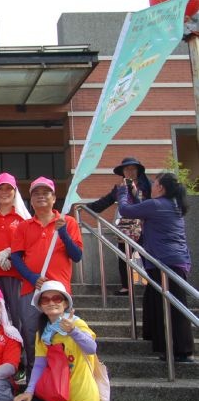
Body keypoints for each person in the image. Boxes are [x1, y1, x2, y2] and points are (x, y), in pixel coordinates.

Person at [12, 281, 107, 401]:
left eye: (56, 298)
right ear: (40, 305)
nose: (51, 303)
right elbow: (40, 365)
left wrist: (73, 331)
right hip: (55, 397)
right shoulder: (43, 331)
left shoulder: (76, 324)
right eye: (45, 300)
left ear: (65, 303)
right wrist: (29, 391)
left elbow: (91, 348)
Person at [118, 172, 194, 362]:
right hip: (171, 261)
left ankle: (182, 351)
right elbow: (142, 209)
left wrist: (121, 193)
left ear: (161, 188)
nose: (151, 186)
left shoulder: (157, 205)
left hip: (164, 262)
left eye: (155, 183)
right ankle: (166, 347)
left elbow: (127, 211)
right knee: (158, 304)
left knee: (174, 308)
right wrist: (135, 195)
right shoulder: (171, 205)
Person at [11, 177, 83, 377]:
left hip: (59, 291)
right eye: (36, 194)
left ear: (54, 198)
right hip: (31, 289)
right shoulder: (24, 226)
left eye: (46, 193)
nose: (41, 197)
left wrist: (63, 234)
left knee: (61, 336)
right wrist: (32, 278)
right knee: (31, 334)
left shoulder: (67, 222)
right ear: (30, 200)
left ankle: (62, 380)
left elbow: (76, 255)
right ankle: (34, 383)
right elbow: (16, 257)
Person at [86, 157, 151, 295]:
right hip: (126, 227)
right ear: (122, 172)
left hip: (146, 227)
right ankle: (126, 286)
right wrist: (87, 207)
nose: (130, 172)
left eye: (133, 169)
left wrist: (134, 191)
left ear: (138, 170)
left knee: (148, 255)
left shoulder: (147, 185)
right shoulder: (119, 187)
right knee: (124, 256)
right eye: (127, 169)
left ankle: (153, 283)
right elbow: (106, 201)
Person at [0, 173, 31, 332]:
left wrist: (9, 253)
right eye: (0, 188)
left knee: (17, 315)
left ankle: (19, 353)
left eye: (8, 189)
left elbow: (29, 244)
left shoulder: (22, 217)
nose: (4, 192)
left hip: (15, 272)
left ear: (15, 191)